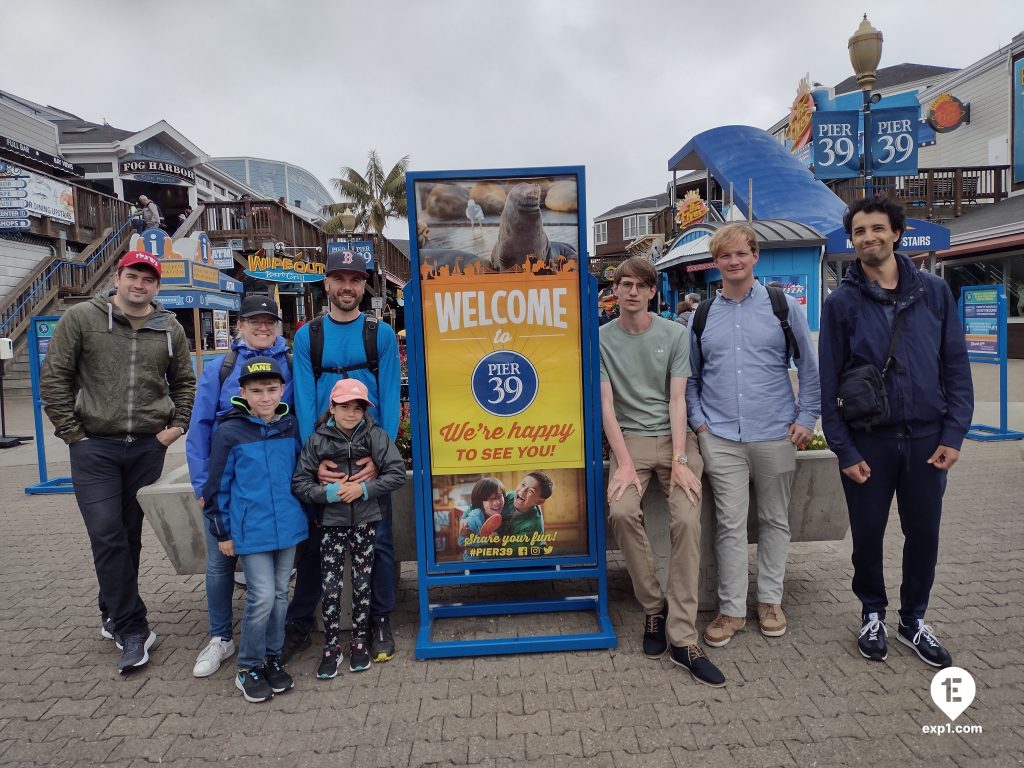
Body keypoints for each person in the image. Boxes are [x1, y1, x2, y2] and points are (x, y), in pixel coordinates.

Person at [819, 197, 972, 668]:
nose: (869, 237)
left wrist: (954, 433)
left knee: (923, 533)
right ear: (853, 239)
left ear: (897, 233)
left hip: (928, 439)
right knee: (868, 534)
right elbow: (828, 381)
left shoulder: (933, 292)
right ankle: (871, 611)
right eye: (860, 231)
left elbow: (955, 365)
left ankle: (913, 618)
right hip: (869, 440)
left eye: (878, 228)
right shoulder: (841, 303)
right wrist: (843, 448)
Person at [40, 251, 195, 673]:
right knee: (106, 532)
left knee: (128, 535)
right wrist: (74, 435)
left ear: (157, 286)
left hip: (147, 446)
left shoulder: (169, 328)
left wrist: (175, 427)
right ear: (117, 277)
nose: (139, 284)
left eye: (148, 278)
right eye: (132, 276)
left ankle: (111, 606)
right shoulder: (82, 319)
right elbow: (54, 377)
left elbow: (184, 381)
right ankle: (133, 627)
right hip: (95, 449)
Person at [685, 223, 820, 648]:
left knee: (775, 520)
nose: (734, 262)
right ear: (716, 262)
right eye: (725, 256)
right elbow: (689, 377)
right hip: (720, 436)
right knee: (728, 524)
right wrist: (701, 423)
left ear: (755, 256)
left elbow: (810, 367)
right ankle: (731, 609)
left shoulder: (783, 307)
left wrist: (807, 417)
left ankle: (770, 601)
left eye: (741, 254)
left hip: (775, 432)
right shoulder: (702, 315)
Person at [599, 256, 724, 687]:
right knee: (619, 510)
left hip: (675, 439)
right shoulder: (599, 340)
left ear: (653, 291)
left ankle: (683, 638)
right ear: (614, 291)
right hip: (628, 440)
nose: (632, 291)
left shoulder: (674, 334)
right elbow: (606, 408)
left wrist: (682, 460)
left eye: (641, 285)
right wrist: (625, 464)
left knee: (688, 518)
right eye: (624, 284)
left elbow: (677, 401)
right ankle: (654, 608)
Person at [283, 249, 401, 664]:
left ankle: (380, 619)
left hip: (369, 453)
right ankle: (302, 621)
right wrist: (312, 461)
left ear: (363, 285)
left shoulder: (379, 333)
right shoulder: (307, 336)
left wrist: (379, 460)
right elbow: (299, 398)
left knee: (381, 542)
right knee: (316, 542)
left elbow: (389, 396)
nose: (347, 287)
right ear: (327, 284)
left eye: (355, 279)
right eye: (340, 279)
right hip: (325, 454)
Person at [186, 295, 294, 678]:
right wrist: (203, 485)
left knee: (272, 584)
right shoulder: (220, 367)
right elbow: (198, 427)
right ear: (240, 325)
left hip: (269, 487)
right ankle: (220, 637)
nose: (262, 327)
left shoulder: (290, 364)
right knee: (220, 560)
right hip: (224, 480)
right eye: (254, 321)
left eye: (269, 321)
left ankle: (270, 644)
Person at [204, 356, 309, 702]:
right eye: (257, 390)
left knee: (280, 595)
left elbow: (300, 474)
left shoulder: (289, 425)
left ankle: (271, 657)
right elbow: (216, 486)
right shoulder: (230, 432)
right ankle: (248, 665)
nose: (265, 397)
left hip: (288, 527)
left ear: (282, 390)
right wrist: (223, 533)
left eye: (271, 389)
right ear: (243, 392)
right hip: (251, 532)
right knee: (261, 596)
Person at [291, 378, 406, 679]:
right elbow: (300, 483)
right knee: (331, 586)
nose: (351, 413)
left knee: (362, 583)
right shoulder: (317, 440)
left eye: (358, 407)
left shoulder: (375, 435)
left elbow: (395, 473)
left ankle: (358, 640)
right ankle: (330, 645)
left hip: (367, 522)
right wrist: (327, 494)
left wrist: (365, 489)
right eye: (344, 406)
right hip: (331, 524)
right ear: (331, 407)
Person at [458, 477, 505, 559]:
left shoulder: (506, 511)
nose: (497, 502)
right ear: (481, 502)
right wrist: (485, 540)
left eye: (499, 497)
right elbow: (461, 541)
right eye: (491, 499)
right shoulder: (473, 518)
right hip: (476, 565)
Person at [501, 472, 552, 537]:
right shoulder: (510, 496)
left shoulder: (532, 526)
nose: (522, 491)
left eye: (531, 491)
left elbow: (511, 546)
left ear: (539, 501)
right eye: (523, 484)